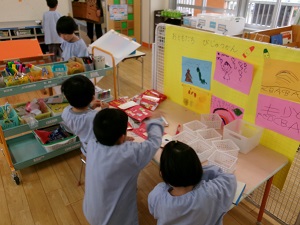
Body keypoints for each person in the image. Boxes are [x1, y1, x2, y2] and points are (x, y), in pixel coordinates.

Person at [83, 108, 164, 225]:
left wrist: (121, 139)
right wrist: (155, 121)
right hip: (115, 220)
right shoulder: (129, 154)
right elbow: (154, 142)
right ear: (121, 137)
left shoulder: (91, 144)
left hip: (91, 212)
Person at [148, 141, 237, 225]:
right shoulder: (211, 192)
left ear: (163, 173)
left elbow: (153, 212)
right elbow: (229, 178)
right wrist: (198, 171)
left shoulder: (157, 195)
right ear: (197, 167)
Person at [61, 75, 108, 156]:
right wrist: (106, 110)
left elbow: (80, 118)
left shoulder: (65, 112)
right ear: (93, 97)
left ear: (66, 97)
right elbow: (108, 126)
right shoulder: (95, 116)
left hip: (86, 149)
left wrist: (89, 107)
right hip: (101, 152)